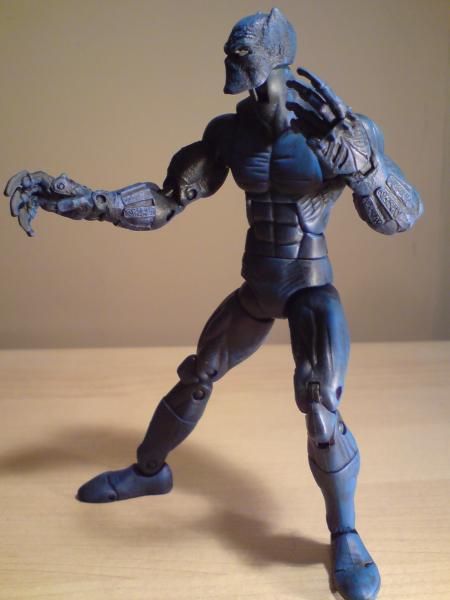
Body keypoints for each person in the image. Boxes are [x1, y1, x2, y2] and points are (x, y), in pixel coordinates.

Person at [5, 9, 423, 600]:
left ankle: (346, 534)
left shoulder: (335, 131)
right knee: (198, 373)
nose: (233, 58)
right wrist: (86, 201)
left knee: (320, 403)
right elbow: (166, 200)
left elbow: (402, 216)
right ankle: (150, 472)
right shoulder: (231, 133)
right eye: (231, 50)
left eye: (243, 51)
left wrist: (368, 168)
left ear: (275, 58)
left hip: (309, 287)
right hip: (257, 286)